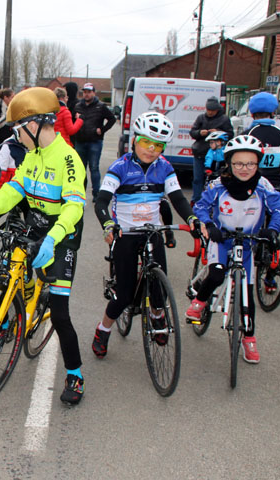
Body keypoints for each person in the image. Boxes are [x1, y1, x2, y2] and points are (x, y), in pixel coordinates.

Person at [0, 87, 87, 405]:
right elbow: (13, 191)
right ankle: (10, 318)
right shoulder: (31, 157)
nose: (15, 135)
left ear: (36, 124)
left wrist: (55, 237)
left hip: (62, 234)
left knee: (59, 314)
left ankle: (75, 374)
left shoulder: (68, 159)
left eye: (18, 128)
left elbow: (74, 207)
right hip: (34, 224)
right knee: (11, 271)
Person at [92, 111, 197, 358]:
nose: (151, 149)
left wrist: (192, 219)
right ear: (135, 141)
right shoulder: (120, 168)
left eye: (158, 145)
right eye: (146, 143)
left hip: (152, 231)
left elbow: (178, 199)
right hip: (125, 233)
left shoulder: (165, 167)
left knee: (160, 284)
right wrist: (108, 225)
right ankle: (103, 328)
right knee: (125, 295)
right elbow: (101, 202)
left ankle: (158, 315)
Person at [185, 135, 280, 364]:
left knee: (248, 294)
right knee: (218, 273)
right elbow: (201, 206)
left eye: (251, 163)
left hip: (248, 243)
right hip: (222, 240)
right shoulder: (218, 185)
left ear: (258, 164)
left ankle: (249, 338)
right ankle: (199, 302)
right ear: (229, 163)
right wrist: (209, 225)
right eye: (239, 163)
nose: (245, 168)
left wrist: (272, 230)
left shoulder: (263, 186)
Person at [73, 82, 116, 201]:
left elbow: (112, 119)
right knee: (80, 169)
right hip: (80, 141)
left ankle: (96, 194)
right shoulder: (77, 106)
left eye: (89, 92)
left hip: (94, 142)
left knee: (94, 168)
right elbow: (72, 122)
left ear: (93, 93)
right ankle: (80, 193)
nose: (86, 94)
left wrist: (102, 130)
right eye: (84, 92)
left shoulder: (101, 106)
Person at [189, 96, 234, 203]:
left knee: (216, 179)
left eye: (212, 110)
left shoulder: (224, 119)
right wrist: (200, 133)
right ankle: (196, 200)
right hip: (200, 152)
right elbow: (192, 132)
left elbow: (230, 135)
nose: (209, 112)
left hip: (217, 156)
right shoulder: (201, 118)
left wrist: (218, 132)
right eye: (208, 110)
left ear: (217, 110)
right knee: (197, 179)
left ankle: (214, 200)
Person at [245, 92, 280, 190]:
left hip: (251, 179)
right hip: (274, 180)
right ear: (273, 113)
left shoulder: (248, 133)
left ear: (252, 114)